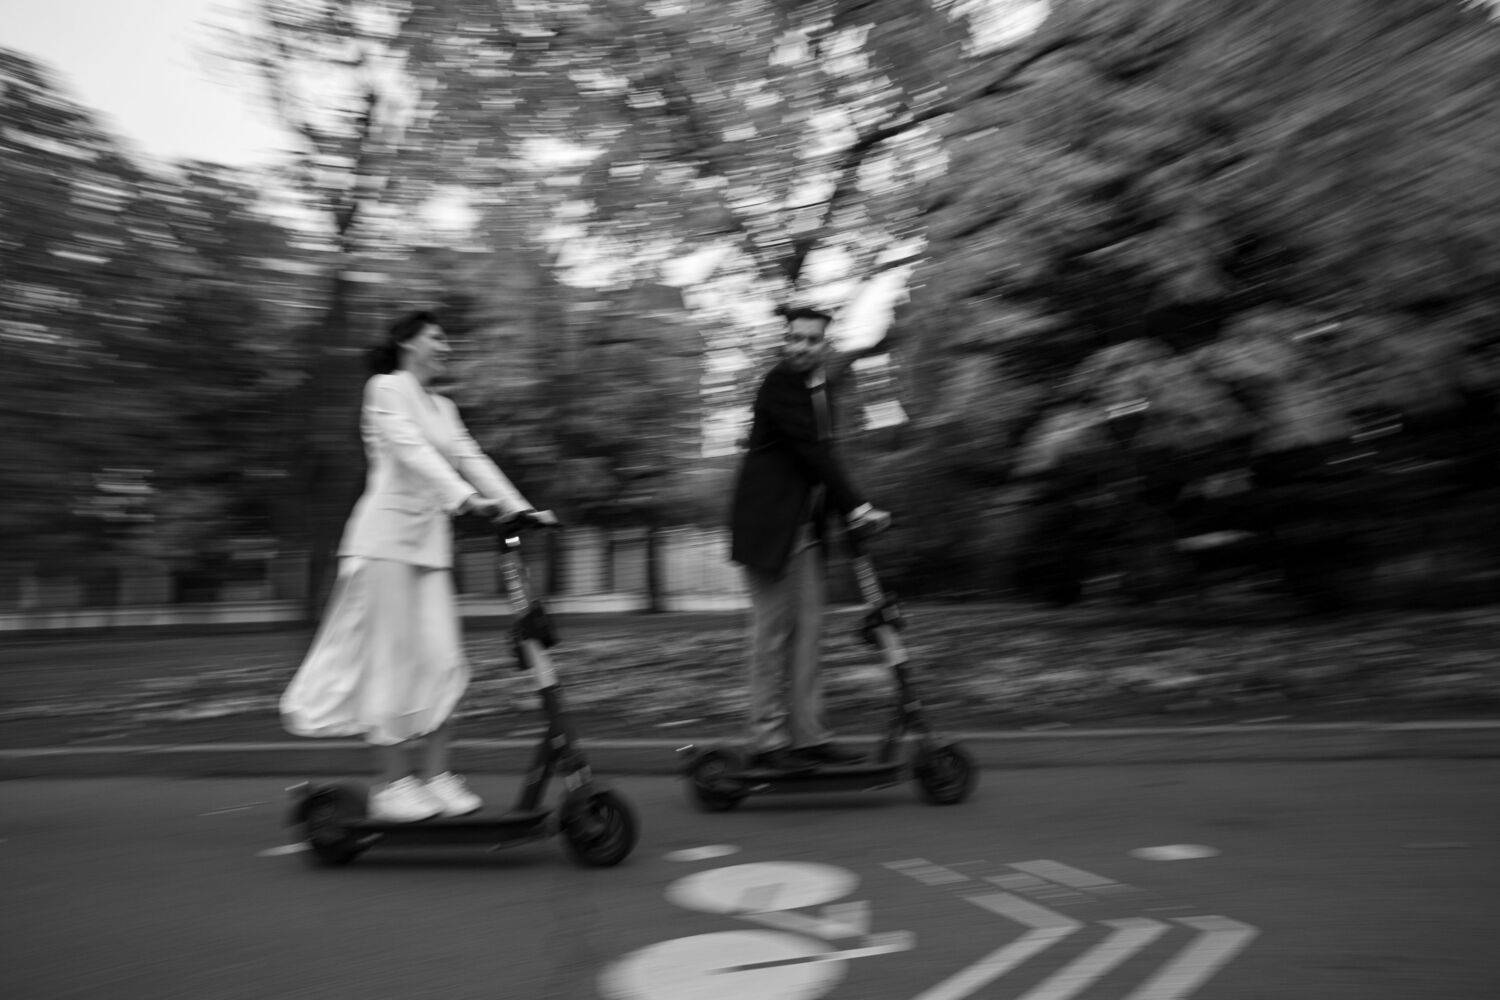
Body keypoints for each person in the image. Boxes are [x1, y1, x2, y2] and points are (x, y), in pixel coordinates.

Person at [281, 310, 546, 822]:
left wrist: (522, 509)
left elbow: (472, 457)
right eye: (437, 337)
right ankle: (392, 785)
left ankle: (436, 776)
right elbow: (410, 451)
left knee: (444, 662)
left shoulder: (443, 407)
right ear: (407, 341)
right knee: (392, 663)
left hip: (428, 549)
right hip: (384, 543)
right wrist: (465, 500)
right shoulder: (385, 389)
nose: (447, 346)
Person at [728, 305, 891, 770]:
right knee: (771, 638)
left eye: (811, 340)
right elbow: (812, 453)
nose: (801, 347)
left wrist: (848, 516)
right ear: (786, 340)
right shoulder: (779, 384)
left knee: (809, 638)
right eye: (794, 338)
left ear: (824, 344)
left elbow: (825, 459)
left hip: (805, 531)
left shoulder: (819, 390)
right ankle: (767, 741)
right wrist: (857, 506)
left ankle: (809, 737)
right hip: (771, 530)